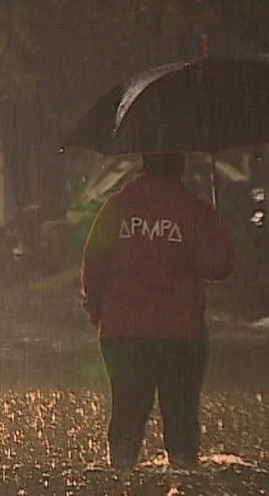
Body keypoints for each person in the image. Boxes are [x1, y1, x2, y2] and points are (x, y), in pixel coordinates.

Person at [81, 152, 234, 471]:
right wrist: (215, 224)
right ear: (182, 166)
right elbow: (219, 267)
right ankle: (184, 490)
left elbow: (94, 265)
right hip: (179, 333)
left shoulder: (117, 207)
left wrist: (99, 311)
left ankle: (119, 486)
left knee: (126, 413)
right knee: (180, 418)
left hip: (122, 330)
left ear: (142, 164)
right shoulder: (193, 209)